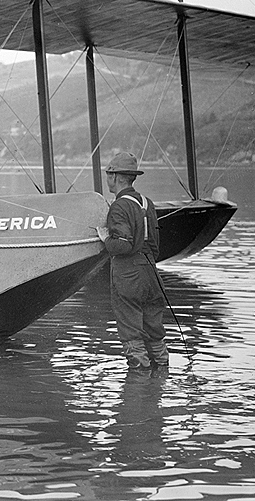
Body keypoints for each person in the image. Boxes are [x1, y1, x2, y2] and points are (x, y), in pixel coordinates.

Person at [96, 152, 169, 370]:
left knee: (131, 333)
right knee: (155, 331)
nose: (107, 178)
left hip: (129, 276)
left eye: (109, 174)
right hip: (151, 273)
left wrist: (106, 238)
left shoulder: (119, 206)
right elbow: (155, 245)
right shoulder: (148, 203)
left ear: (116, 176)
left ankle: (138, 389)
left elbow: (123, 244)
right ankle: (160, 383)